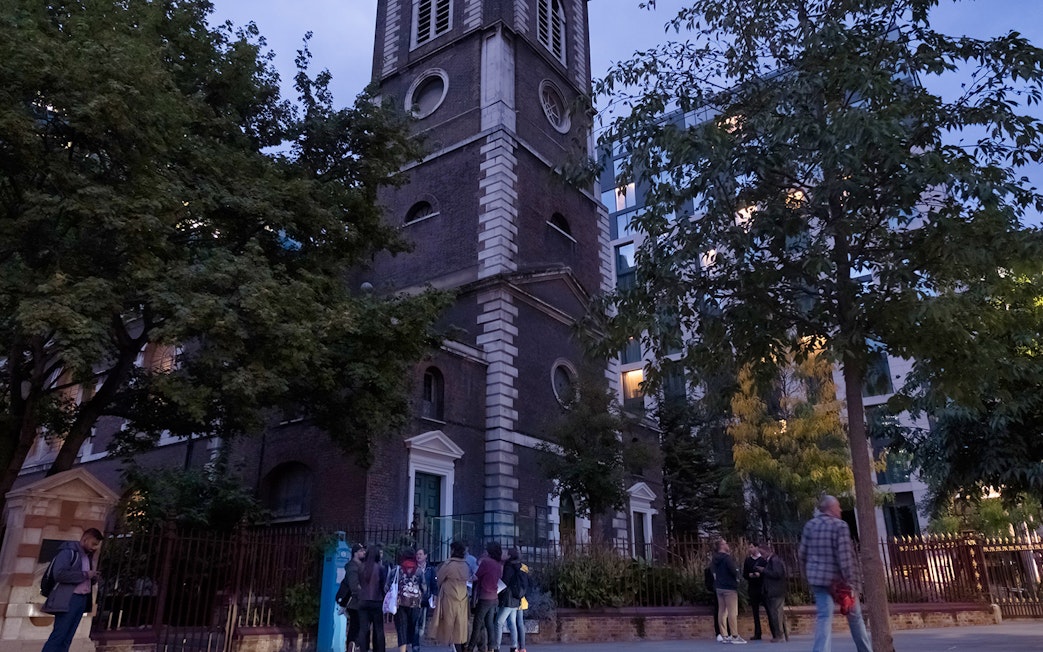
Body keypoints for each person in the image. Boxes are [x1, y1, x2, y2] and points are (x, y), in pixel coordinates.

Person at [799, 495, 872, 652]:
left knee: (824, 617)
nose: (840, 510)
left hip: (818, 580)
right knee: (855, 618)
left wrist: (808, 574)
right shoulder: (840, 526)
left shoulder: (810, 526)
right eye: (838, 507)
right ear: (830, 508)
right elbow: (844, 556)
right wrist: (852, 583)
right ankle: (865, 650)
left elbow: (802, 554)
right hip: (840, 582)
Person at [41, 527, 103, 652]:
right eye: (93, 543)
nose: (94, 547)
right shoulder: (68, 552)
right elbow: (58, 574)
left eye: (97, 545)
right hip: (68, 599)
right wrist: (85, 575)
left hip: (81, 600)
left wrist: (93, 577)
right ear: (85, 539)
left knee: (68, 637)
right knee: (59, 635)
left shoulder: (88, 557)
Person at [431, 541, 471, 652]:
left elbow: (439, 578)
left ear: (453, 550)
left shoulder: (448, 564)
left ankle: (454, 647)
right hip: (462, 598)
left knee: (449, 625)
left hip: (449, 597)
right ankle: (461, 647)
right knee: (460, 626)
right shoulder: (465, 565)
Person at [467, 542, 503, 652]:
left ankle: (470, 647)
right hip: (494, 597)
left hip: (484, 597)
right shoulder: (498, 565)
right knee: (489, 623)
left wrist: (466, 579)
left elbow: (476, 577)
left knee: (477, 624)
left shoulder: (486, 563)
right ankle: (491, 647)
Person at [390, 548, 426, 652]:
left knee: (401, 627)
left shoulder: (396, 570)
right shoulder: (418, 570)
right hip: (415, 604)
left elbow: (387, 586)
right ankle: (415, 647)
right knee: (414, 626)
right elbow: (424, 588)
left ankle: (403, 650)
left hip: (400, 603)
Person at [711, 538, 746, 645]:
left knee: (722, 611)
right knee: (732, 612)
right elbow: (734, 570)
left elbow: (713, 571)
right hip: (729, 588)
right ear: (722, 546)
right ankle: (734, 635)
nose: (728, 545)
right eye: (726, 543)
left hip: (719, 587)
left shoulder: (714, 559)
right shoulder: (727, 558)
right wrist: (738, 577)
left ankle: (724, 635)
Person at [355, 545, 388, 652]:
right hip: (376, 601)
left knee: (363, 629)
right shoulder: (380, 568)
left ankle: (363, 649)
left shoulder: (360, 567)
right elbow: (383, 586)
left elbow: (359, 583)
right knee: (378, 629)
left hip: (363, 601)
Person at [495, 548, 528, 652]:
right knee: (512, 622)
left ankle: (496, 647)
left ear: (509, 555)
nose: (503, 553)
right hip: (516, 598)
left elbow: (505, 582)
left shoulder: (508, 566)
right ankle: (514, 647)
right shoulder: (518, 565)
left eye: (505, 552)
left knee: (498, 622)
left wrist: (496, 590)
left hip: (508, 598)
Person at [336, 543, 366, 652]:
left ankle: (353, 646)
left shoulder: (360, 565)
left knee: (357, 626)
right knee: (356, 626)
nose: (364, 553)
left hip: (358, 602)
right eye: (361, 551)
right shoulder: (352, 567)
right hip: (353, 602)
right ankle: (352, 646)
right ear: (355, 553)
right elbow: (354, 586)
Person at [759, 543, 788, 643]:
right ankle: (780, 635)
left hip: (776, 591)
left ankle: (780, 636)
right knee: (776, 613)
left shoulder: (774, 560)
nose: (761, 556)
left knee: (776, 614)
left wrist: (764, 571)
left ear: (767, 552)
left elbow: (778, 574)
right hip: (773, 591)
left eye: (762, 554)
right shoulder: (771, 560)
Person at [415, 547, 438, 652]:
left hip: (425, 599)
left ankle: (417, 639)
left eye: (420, 554)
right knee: (415, 622)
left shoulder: (430, 569)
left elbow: (434, 584)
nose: (418, 556)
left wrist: (434, 595)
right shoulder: (414, 568)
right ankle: (415, 643)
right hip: (414, 599)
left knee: (422, 623)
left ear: (425, 556)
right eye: (417, 554)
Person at [742, 543, 766, 640]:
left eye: (752, 547)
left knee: (769, 610)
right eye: (749, 547)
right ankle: (757, 633)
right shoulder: (748, 560)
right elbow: (744, 574)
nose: (750, 549)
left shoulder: (763, 560)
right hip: (752, 588)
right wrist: (750, 575)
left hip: (763, 588)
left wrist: (760, 574)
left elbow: (767, 572)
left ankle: (775, 631)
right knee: (755, 612)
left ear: (756, 547)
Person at [703, 562, 722, 640]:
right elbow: (708, 584)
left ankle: (727, 632)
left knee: (726, 611)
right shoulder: (709, 570)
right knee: (718, 610)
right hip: (717, 591)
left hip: (726, 590)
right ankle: (719, 632)